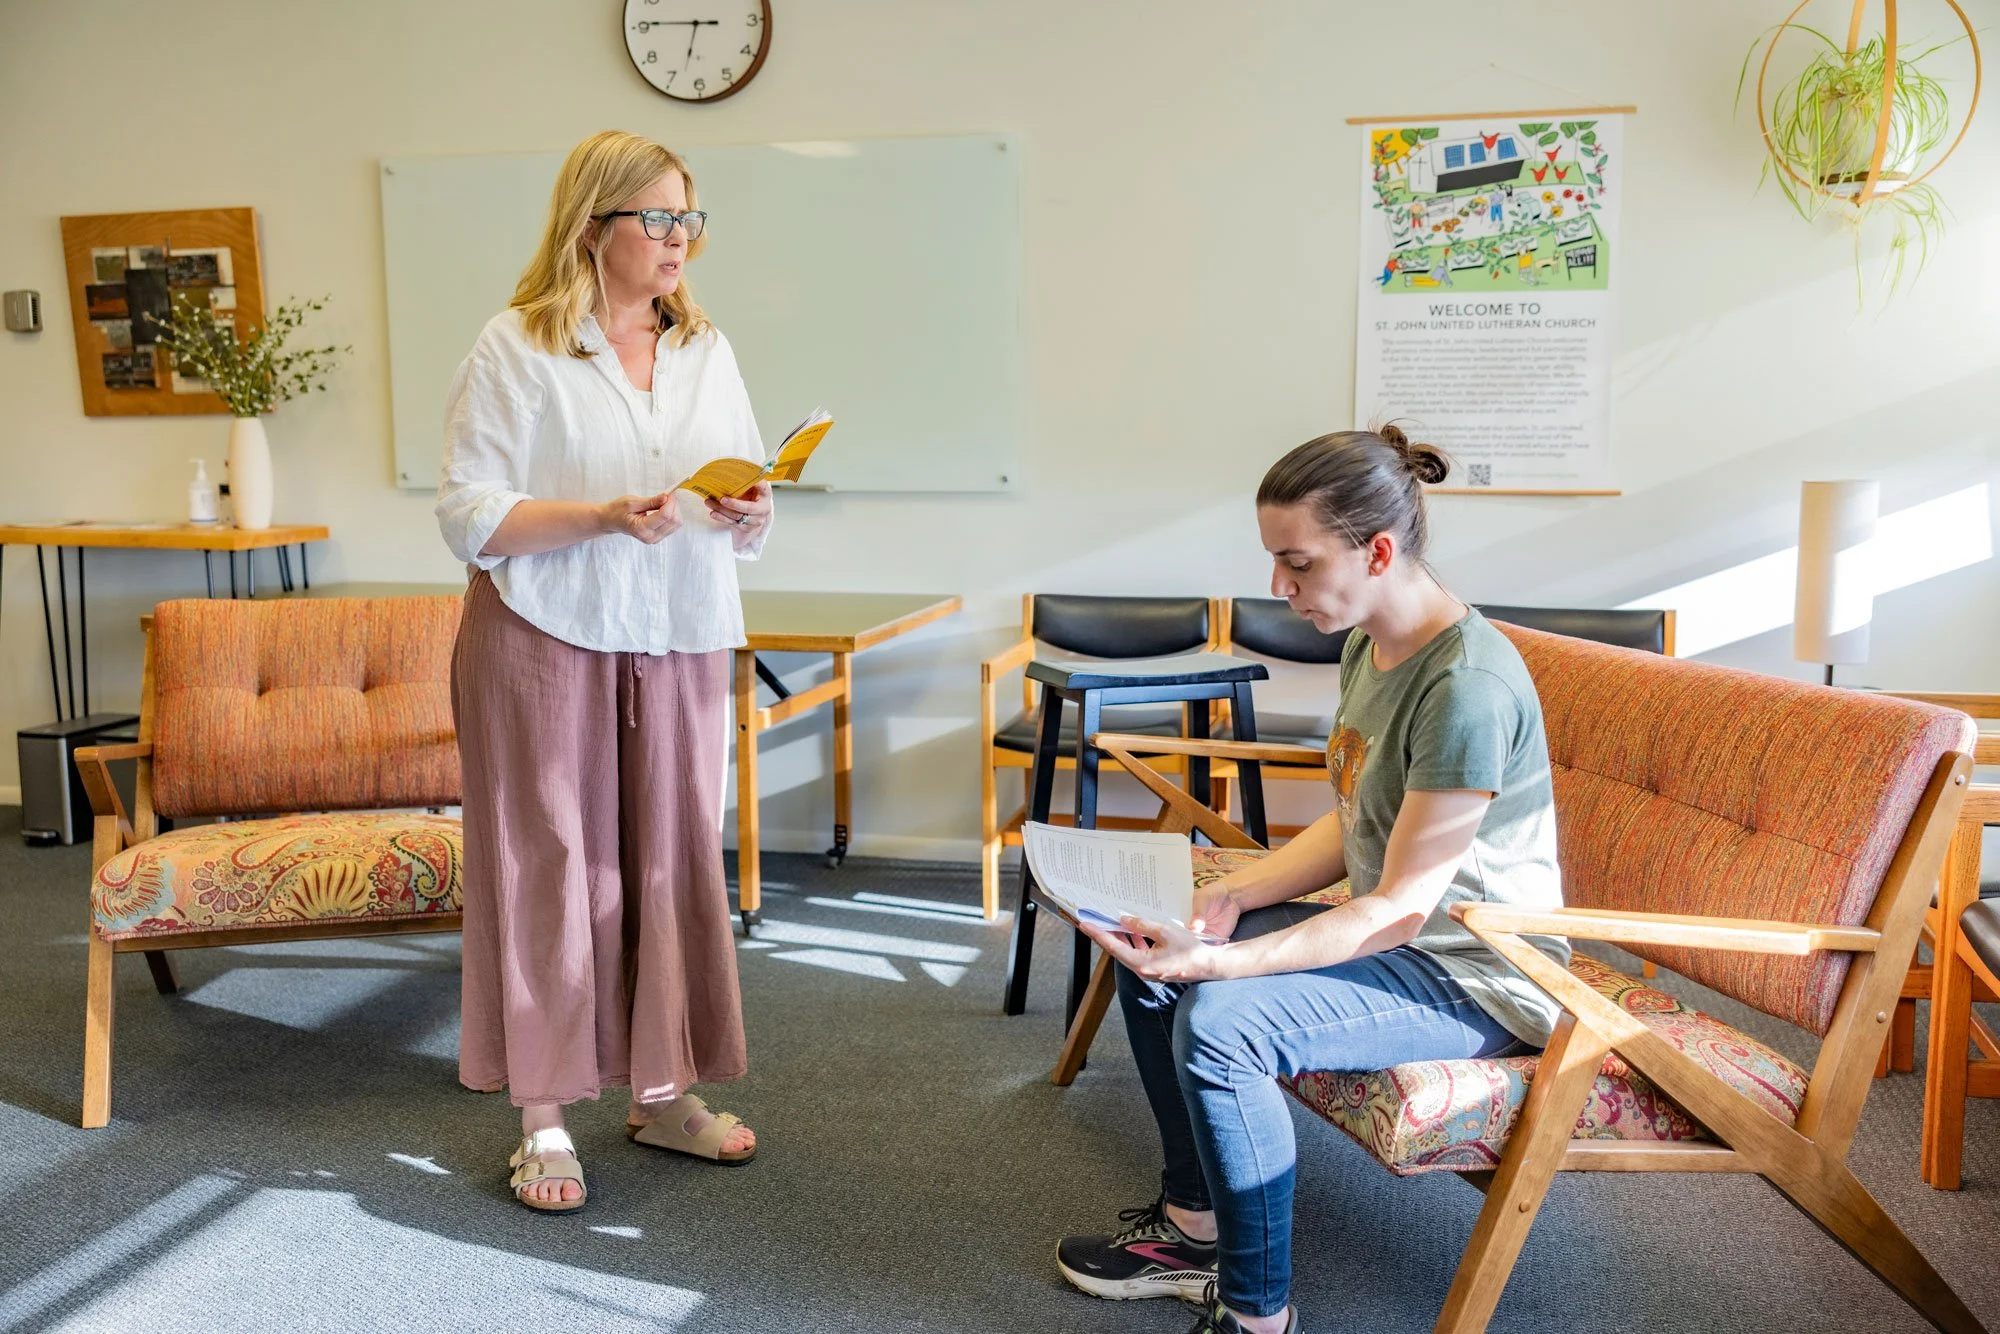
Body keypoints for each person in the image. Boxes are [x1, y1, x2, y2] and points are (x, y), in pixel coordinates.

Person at [1053, 427, 1568, 1332]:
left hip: (1477, 975)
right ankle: (1195, 1230)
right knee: (1151, 949)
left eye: (1297, 563)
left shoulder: (1465, 691)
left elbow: (1397, 913)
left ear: (1376, 551)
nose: (1279, 589)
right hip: (1403, 938)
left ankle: (1259, 1316)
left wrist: (1220, 966)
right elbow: (1355, 817)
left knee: (1219, 1022)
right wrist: (1231, 900)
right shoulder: (1371, 641)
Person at [435, 129, 771, 1213]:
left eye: (689, 217)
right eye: (658, 218)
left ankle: (662, 1091)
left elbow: (743, 488)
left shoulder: (706, 347)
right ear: (593, 227)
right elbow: (469, 512)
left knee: (668, 862)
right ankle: (542, 1112)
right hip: (541, 629)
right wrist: (596, 516)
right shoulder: (515, 345)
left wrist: (751, 505)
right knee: (550, 864)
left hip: (675, 630)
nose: (680, 239)